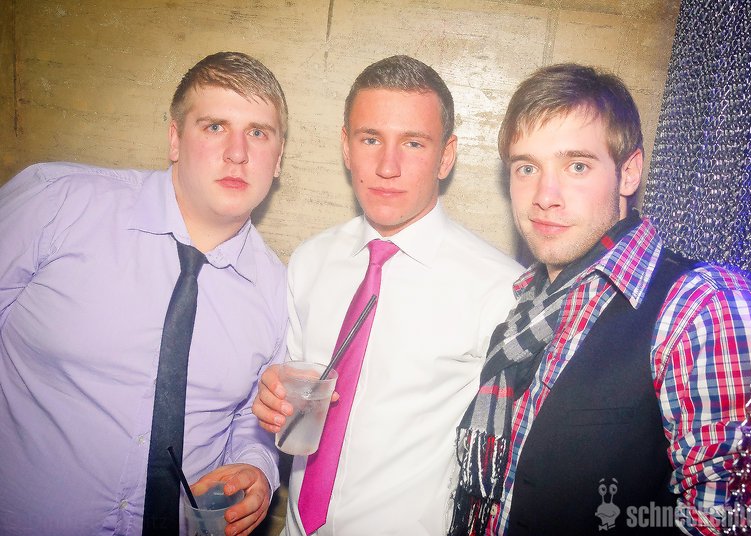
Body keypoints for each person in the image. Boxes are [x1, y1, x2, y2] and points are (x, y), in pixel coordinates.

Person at [449, 63, 751, 536]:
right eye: (527, 168)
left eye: (577, 165)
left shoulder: (704, 306)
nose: (545, 196)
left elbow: (736, 520)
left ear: (629, 172)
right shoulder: (528, 304)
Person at [0, 51, 289, 536]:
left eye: (258, 133)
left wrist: (256, 467)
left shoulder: (279, 291)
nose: (237, 153)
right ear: (175, 139)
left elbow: (251, 416)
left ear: (278, 159)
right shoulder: (58, 204)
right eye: (215, 126)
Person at [253, 55, 523, 535]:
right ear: (346, 146)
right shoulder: (310, 261)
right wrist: (274, 397)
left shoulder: (500, 289)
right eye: (370, 139)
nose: (387, 166)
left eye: (413, 143)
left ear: (446, 156)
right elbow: (294, 393)